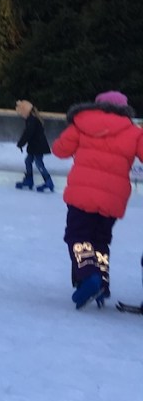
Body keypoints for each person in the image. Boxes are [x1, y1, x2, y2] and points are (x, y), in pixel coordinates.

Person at [50, 89, 143, 308]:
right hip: (113, 198)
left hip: (82, 193)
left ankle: (89, 274)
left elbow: (60, 150)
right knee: (100, 240)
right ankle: (102, 283)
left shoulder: (82, 123)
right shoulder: (134, 131)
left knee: (78, 236)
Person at [14, 99, 53, 191]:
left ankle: (48, 181)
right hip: (34, 146)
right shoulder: (31, 119)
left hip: (38, 146)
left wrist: (21, 143)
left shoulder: (32, 119)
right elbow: (27, 132)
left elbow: (28, 133)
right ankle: (29, 179)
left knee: (38, 163)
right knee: (28, 161)